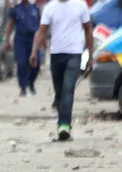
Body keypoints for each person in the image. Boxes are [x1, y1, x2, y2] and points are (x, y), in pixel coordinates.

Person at [30, 0, 93, 141]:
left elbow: (88, 30)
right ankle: (62, 122)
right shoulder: (49, 8)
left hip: (74, 54)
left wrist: (90, 55)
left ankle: (64, 126)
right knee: (59, 92)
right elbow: (41, 32)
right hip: (56, 54)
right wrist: (34, 52)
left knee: (68, 89)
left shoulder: (80, 5)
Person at [4, 0, 42, 97]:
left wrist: (43, 41)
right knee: (21, 63)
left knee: (36, 63)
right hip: (21, 39)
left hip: (33, 38)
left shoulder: (35, 9)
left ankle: (31, 82)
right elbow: (10, 25)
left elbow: (41, 26)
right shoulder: (16, 9)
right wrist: (7, 40)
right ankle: (23, 87)